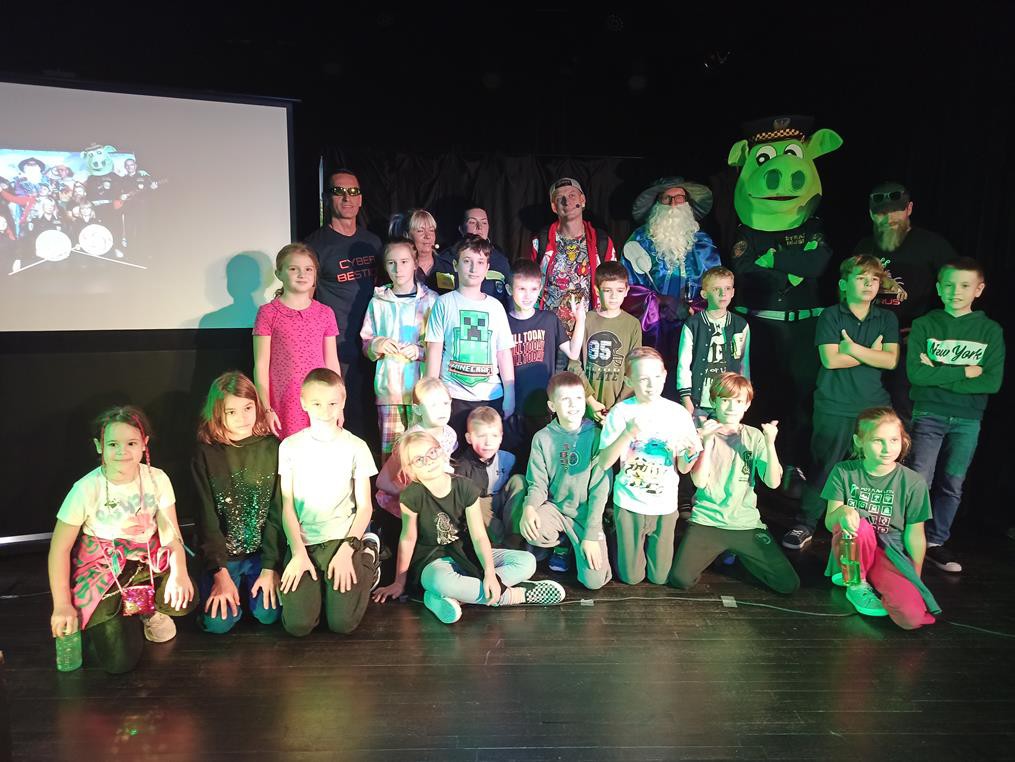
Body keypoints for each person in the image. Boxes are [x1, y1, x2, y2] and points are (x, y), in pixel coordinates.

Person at [728, 116, 839, 483]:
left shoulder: (813, 225)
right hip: (759, 326)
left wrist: (773, 259)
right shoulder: (746, 229)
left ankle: (794, 467)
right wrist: (793, 268)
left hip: (804, 329)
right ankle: (753, 469)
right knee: (757, 398)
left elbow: (818, 263)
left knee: (801, 401)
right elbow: (744, 269)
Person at [48, 406, 194, 674]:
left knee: (185, 596)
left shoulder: (157, 478)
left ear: (144, 443)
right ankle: (119, 614)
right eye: (113, 444)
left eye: (131, 443)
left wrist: (179, 573)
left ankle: (146, 610)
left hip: (146, 561)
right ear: (99, 446)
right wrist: (62, 605)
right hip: (105, 566)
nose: (122, 452)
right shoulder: (85, 489)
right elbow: (59, 549)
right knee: (119, 662)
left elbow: (171, 534)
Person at [371, 431, 565, 624]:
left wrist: (490, 573)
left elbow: (479, 536)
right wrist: (399, 582)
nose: (428, 461)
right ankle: (514, 595)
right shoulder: (411, 496)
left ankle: (444, 597)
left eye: (432, 452)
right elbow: (408, 538)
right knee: (437, 581)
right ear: (409, 469)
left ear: (442, 452)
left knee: (527, 561)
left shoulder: (465, 487)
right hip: (433, 559)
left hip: (466, 553)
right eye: (419, 460)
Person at [784, 256, 899, 551]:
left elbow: (890, 360)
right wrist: (870, 352)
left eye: (874, 279)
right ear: (844, 284)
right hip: (834, 404)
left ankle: (868, 530)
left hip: (873, 407)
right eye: (861, 278)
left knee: (871, 471)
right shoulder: (831, 315)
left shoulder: (886, 319)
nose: (869, 284)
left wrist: (853, 348)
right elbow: (831, 359)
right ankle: (805, 524)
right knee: (825, 468)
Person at [907, 257, 1005, 573]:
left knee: (952, 483)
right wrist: (965, 371)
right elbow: (916, 375)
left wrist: (937, 371)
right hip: (928, 413)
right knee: (920, 479)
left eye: (964, 285)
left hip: (968, 419)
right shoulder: (925, 324)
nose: (955, 291)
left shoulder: (990, 330)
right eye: (948, 285)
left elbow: (991, 381)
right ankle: (910, 538)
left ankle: (935, 541)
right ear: (938, 288)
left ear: (979, 289)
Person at [668, 373, 799, 594]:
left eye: (738, 401)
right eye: (725, 400)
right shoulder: (702, 432)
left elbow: (773, 482)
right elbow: (700, 481)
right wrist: (707, 441)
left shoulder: (754, 436)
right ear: (714, 401)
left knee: (788, 585)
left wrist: (770, 443)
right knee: (680, 579)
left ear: (747, 405)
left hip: (744, 524)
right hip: (708, 521)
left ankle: (739, 553)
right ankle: (724, 551)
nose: (731, 407)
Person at [277, 369, 381, 637]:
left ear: (343, 402)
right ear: (303, 403)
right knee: (298, 626)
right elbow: (287, 506)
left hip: (342, 539)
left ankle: (368, 556)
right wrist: (298, 552)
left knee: (342, 624)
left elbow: (365, 506)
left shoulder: (356, 446)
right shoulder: (289, 447)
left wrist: (348, 548)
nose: (325, 411)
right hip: (305, 542)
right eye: (317, 403)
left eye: (332, 403)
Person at [822, 408, 939, 629]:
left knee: (911, 619)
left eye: (894, 440)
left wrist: (914, 577)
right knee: (860, 524)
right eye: (878, 441)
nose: (887, 448)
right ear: (859, 441)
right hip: (853, 547)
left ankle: (877, 581)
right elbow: (830, 523)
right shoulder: (844, 471)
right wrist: (844, 511)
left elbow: (915, 535)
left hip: (889, 552)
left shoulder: (913, 482)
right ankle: (855, 583)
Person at [852, 182, 959, 423]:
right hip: (869, 342)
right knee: (866, 407)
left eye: (896, 211)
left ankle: (903, 449)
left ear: (909, 209)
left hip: (909, 344)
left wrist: (930, 329)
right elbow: (847, 290)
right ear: (871, 215)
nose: (889, 218)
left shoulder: (932, 245)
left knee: (904, 408)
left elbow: (959, 291)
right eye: (882, 213)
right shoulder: (865, 246)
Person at [598, 347, 702, 584]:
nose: (651, 384)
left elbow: (684, 468)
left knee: (660, 577)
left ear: (665, 375)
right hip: (629, 503)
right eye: (643, 378)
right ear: (629, 380)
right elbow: (604, 462)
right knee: (631, 577)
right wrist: (627, 433)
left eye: (656, 377)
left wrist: (690, 454)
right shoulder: (621, 412)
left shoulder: (677, 413)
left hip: (664, 505)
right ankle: (614, 530)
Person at [192, 371, 283, 634]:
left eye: (248, 408)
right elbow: (206, 517)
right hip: (224, 557)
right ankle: (228, 590)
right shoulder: (206, 453)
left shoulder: (272, 448)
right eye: (231, 412)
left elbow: (277, 510)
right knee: (218, 624)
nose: (242, 418)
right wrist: (219, 572)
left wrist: (270, 566)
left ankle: (250, 592)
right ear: (217, 413)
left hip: (260, 555)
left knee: (269, 615)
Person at [515, 371, 613, 588]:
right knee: (532, 529)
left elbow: (600, 489)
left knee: (594, 582)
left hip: (585, 514)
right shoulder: (542, 438)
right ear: (552, 406)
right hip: (556, 509)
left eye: (578, 397)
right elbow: (537, 483)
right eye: (565, 399)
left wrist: (591, 534)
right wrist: (529, 508)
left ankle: (578, 542)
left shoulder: (597, 435)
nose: (573, 404)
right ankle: (563, 543)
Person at [304, 169, 382, 439]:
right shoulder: (314, 245)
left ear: (360, 200)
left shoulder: (373, 243)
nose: (347, 198)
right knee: (344, 420)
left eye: (353, 192)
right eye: (339, 192)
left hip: (374, 346)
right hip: (338, 349)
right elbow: (306, 300)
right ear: (327, 198)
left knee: (376, 422)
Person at [622, 177, 720, 379]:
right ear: (657, 203)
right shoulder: (639, 240)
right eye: (667, 198)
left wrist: (694, 308)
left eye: (679, 197)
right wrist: (662, 301)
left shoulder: (703, 243)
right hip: (653, 327)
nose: (673, 204)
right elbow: (627, 288)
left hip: (691, 325)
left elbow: (716, 286)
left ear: (688, 202)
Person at [425, 235, 515, 443]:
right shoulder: (444, 303)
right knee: (452, 453)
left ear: (487, 268)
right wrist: (431, 394)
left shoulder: (495, 307)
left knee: (485, 452)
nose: (474, 268)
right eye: (467, 261)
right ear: (455, 265)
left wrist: (510, 395)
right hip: (452, 397)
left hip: (489, 396)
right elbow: (434, 351)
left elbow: (504, 353)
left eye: (480, 262)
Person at [253, 243, 341, 439]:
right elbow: (261, 365)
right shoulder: (268, 313)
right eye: (293, 269)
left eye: (308, 269)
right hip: (284, 399)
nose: (302, 274)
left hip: (320, 398)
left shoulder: (325, 313)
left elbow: (332, 362)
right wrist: (266, 408)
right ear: (279, 273)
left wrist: (338, 405)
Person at [360, 240, 438, 460]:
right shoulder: (378, 301)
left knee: (421, 450)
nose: (398, 269)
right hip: (389, 390)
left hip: (420, 392)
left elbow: (440, 346)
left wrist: (420, 351)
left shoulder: (431, 300)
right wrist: (377, 345)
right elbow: (366, 342)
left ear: (415, 263)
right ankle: (391, 485)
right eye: (391, 263)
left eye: (404, 262)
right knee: (392, 452)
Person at [505, 258, 585, 450]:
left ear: (540, 289)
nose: (527, 295)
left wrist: (580, 319)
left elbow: (573, 353)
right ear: (509, 289)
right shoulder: (503, 321)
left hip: (542, 406)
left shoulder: (548, 319)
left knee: (541, 455)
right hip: (512, 406)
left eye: (533, 289)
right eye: (521, 289)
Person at [374, 378, 458, 555]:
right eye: (433, 405)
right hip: (401, 506)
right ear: (418, 409)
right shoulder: (410, 440)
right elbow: (382, 481)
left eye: (445, 403)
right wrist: (413, 497)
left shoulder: (450, 434)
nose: (442, 410)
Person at [533, 177, 616, 333]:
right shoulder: (541, 241)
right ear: (554, 207)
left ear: (582, 200)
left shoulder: (601, 241)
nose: (567, 202)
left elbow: (614, 284)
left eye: (572, 195)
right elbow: (528, 282)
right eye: (560, 198)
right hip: (550, 331)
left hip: (589, 329)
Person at [676, 266, 751, 422]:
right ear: (704, 294)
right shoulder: (693, 324)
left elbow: (744, 363)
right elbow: (684, 363)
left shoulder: (740, 325)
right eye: (717, 289)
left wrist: (744, 393)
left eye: (727, 288)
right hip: (698, 402)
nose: (723, 294)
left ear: (733, 292)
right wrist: (686, 397)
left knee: (724, 435)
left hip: (727, 401)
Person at [577, 261, 642, 422]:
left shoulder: (632, 324)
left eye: (619, 290)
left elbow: (634, 368)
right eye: (607, 290)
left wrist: (617, 408)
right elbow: (574, 364)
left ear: (626, 291)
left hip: (620, 409)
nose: (613, 296)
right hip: (586, 407)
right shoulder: (585, 320)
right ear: (596, 290)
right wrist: (590, 401)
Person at [452, 406, 523, 544]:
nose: (488, 442)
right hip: (481, 509)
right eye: (481, 436)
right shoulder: (462, 467)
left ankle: (515, 535)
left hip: (501, 502)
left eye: (494, 436)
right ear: (469, 438)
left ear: (501, 437)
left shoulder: (508, 458)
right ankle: (502, 542)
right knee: (475, 502)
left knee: (519, 481)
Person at [434, 207, 512, 306]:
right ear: (461, 229)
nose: (479, 227)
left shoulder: (500, 261)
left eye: (484, 222)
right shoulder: (446, 259)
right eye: (472, 222)